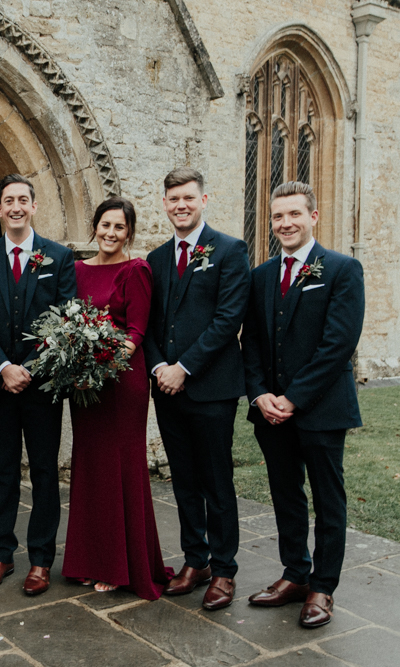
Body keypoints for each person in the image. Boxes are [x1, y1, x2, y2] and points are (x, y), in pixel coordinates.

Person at [241, 181, 364, 628]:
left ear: (313, 216)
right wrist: (260, 395)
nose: (285, 223)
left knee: (328, 501)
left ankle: (323, 588)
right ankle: (295, 574)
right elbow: (250, 341)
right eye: (277, 216)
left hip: (322, 409)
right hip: (270, 412)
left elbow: (338, 344)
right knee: (285, 495)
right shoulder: (259, 276)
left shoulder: (342, 269)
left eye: (294, 214)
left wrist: (293, 398)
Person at [143, 167, 250, 611]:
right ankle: (196, 560)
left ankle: (224, 569)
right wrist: (158, 368)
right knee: (183, 480)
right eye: (173, 199)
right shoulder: (156, 258)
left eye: (188, 198)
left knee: (215, 481)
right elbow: (146, 324)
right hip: (167, 389)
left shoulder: (229, 250)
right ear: (165, 204)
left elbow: (228, 319)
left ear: (204, 200)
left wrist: (184, 367)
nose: (181, 206)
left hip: (211, 388)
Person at [0, 174, 76, 596]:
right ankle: (0, 554)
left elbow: (64, 318)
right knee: (4, 474)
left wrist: (27, 367)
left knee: (46, 473)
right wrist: (2, 367)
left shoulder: (58, 256)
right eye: (7, 200)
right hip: (0, 387)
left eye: (22, 200)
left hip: (41, 386)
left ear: (34, 206)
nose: (15, 206)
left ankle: (41, 559)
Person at [61, 198, 172, 599]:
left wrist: (103, 365)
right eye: (105, 225)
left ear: (129, 233)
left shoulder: (135, 270)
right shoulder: (74, 271)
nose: (110, 233)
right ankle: (89, 560)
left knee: (120, 467)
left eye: (119, 228)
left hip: (122, 383)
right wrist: (79, 365)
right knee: (90, 467)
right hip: (85, 385)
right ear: (93, 227)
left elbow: (138, 330)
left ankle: (122, 565)